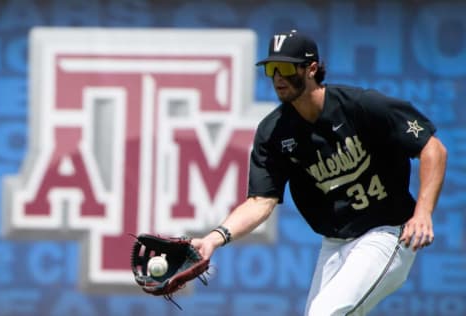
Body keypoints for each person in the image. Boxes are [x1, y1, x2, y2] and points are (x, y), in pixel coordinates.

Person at [191, 29, 447, 315]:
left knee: (324, 313)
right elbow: (260, 202)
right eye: (271, 68)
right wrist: (213, 238)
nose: (277, 76)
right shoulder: (274, 132)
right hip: (335, 242)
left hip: (386, 232)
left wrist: (423, 212)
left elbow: (433, 148)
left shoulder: (361, 106)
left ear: (311, 68)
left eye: (286, 67)